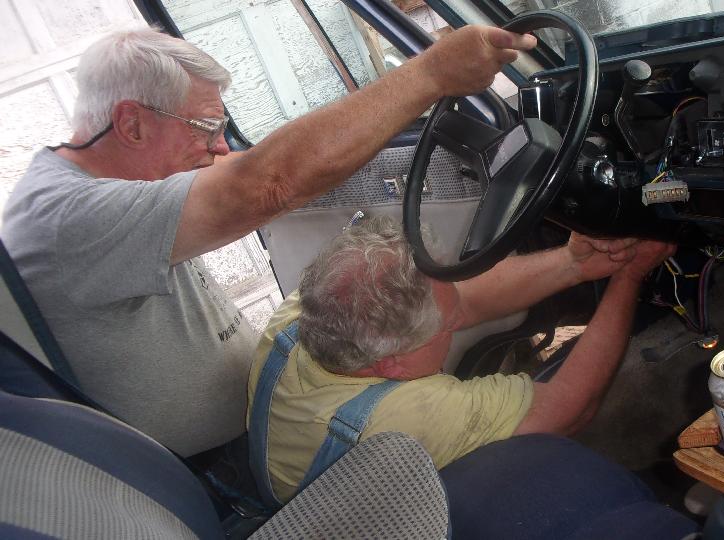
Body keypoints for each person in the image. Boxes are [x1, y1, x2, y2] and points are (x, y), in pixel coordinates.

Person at [0, 26, 536, 457]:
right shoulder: (67, 220)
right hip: (213, 469)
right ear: (132, 125)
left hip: (260, 419)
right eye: (206, 126)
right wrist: (433, 73)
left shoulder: (119, 186)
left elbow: (263, 171)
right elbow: (266, 182)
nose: (220, 148)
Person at [248, 216, 674, 502]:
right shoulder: (407, 420)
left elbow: (463, 301)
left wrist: (573, 263)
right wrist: (629, 274)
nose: (457, 324)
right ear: (391, 364)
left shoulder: (304, 310)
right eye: (448, 328)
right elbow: (569, 407)